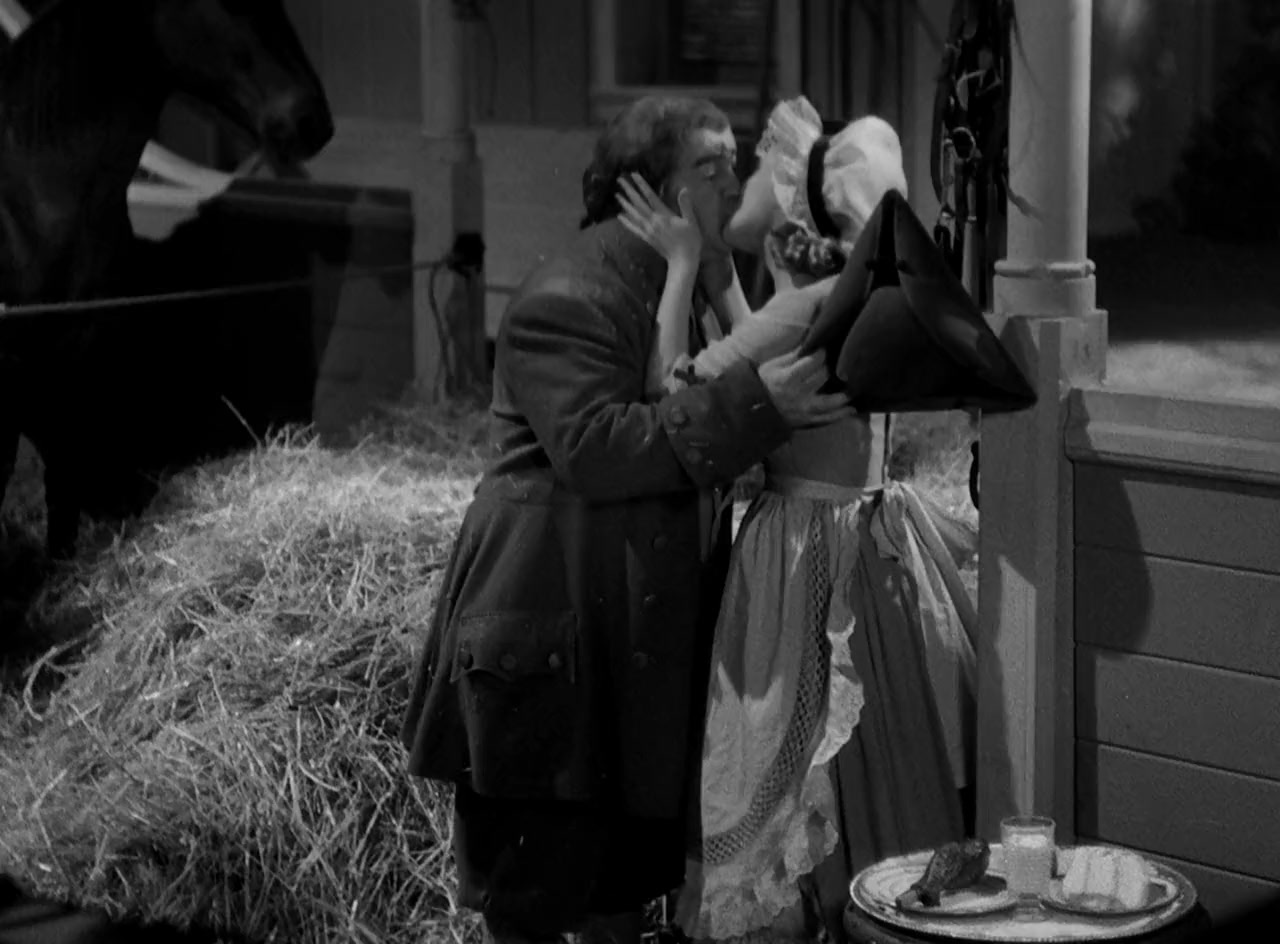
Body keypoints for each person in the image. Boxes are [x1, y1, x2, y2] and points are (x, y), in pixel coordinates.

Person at [398, 94, 852, 944]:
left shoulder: (676, 288)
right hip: (552, 645)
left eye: (733, 164)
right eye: (710, 168)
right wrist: (755, 404)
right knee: (537, 903)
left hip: (618, 660)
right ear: (653, 191)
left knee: (615, 898)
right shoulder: (571, 295)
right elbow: (597, 446)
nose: (732, 185)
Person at [618, 97, 980, 943]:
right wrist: (723, 280)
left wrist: (684, 268)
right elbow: (776, 362)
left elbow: (671, 389)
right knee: (862, 753)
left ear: (800, 208)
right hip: (872, 530)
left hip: (800, 545)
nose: (740, 183)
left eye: (755, 171)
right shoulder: (864, 297)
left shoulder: (805, 304)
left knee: (784, 748)